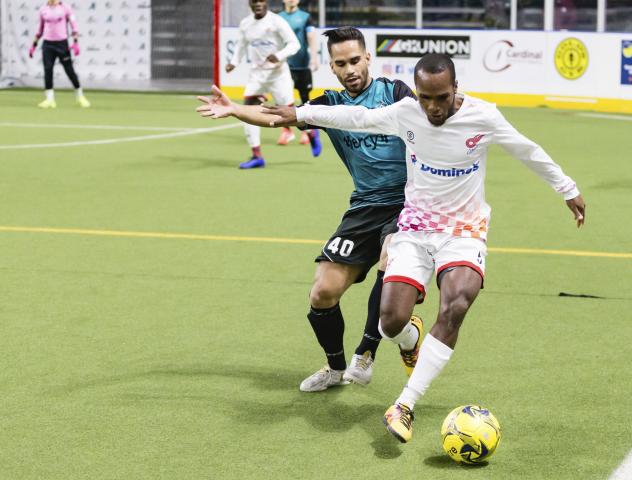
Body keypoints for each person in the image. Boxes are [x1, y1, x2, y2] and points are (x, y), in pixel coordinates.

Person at [261, 53, 586, 442]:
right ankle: (410, 340)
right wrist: (301, 114)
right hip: (414, 229)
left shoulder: (483, 116)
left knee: (456, 304)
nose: (433, 107)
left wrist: (567, 188)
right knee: (390, 323)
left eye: (442, 98)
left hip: (463, 231)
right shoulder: (407, 112)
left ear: (455, 88)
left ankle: (405, 405)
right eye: (426, 98)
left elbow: (527, 149)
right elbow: (356, 119)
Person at [197, 27, 425, 392]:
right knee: (322, 292)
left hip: (407, 204)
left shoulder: (395, 93)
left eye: (355, 60)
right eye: (340, 63)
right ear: (331, 67)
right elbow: (278, 117)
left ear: (368, 58)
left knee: (390, 254)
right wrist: (234, 109)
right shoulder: (328, 105)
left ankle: (365, 354)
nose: (349, 69)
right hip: (364, 206)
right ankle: (335, 370)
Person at [225, 0, 300, 169]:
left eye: (261, 1)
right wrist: (233, 62)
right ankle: (257, 156)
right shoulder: (246, 24)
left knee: (288, 113)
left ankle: (311, 131)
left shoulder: (277, 21)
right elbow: (241, 46)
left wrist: (280, 55)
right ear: (250, 4)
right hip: (257, 75)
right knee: (246, 112)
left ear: (266, 3)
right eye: (254, 1)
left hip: (278, 74)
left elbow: (295, 44)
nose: (257, 4)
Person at [278, 0, 322, 154]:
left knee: (304, 98)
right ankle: (286, 131)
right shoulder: (278, 17)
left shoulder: (305, 17)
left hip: (302, 64)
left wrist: (314, 57)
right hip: (283, 66)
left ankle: (307, 131)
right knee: (283, 98)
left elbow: (311, 37)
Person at [29, 0, 90, 109]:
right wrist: (34, 45)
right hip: (48, 44)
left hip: (62, 44)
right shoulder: (43, 9)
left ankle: (80, 97)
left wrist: (76, 43)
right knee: (48, 70)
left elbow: (74, 26)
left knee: (69, 70)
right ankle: (50, 100)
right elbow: (40, 30)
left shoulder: (65, 8)